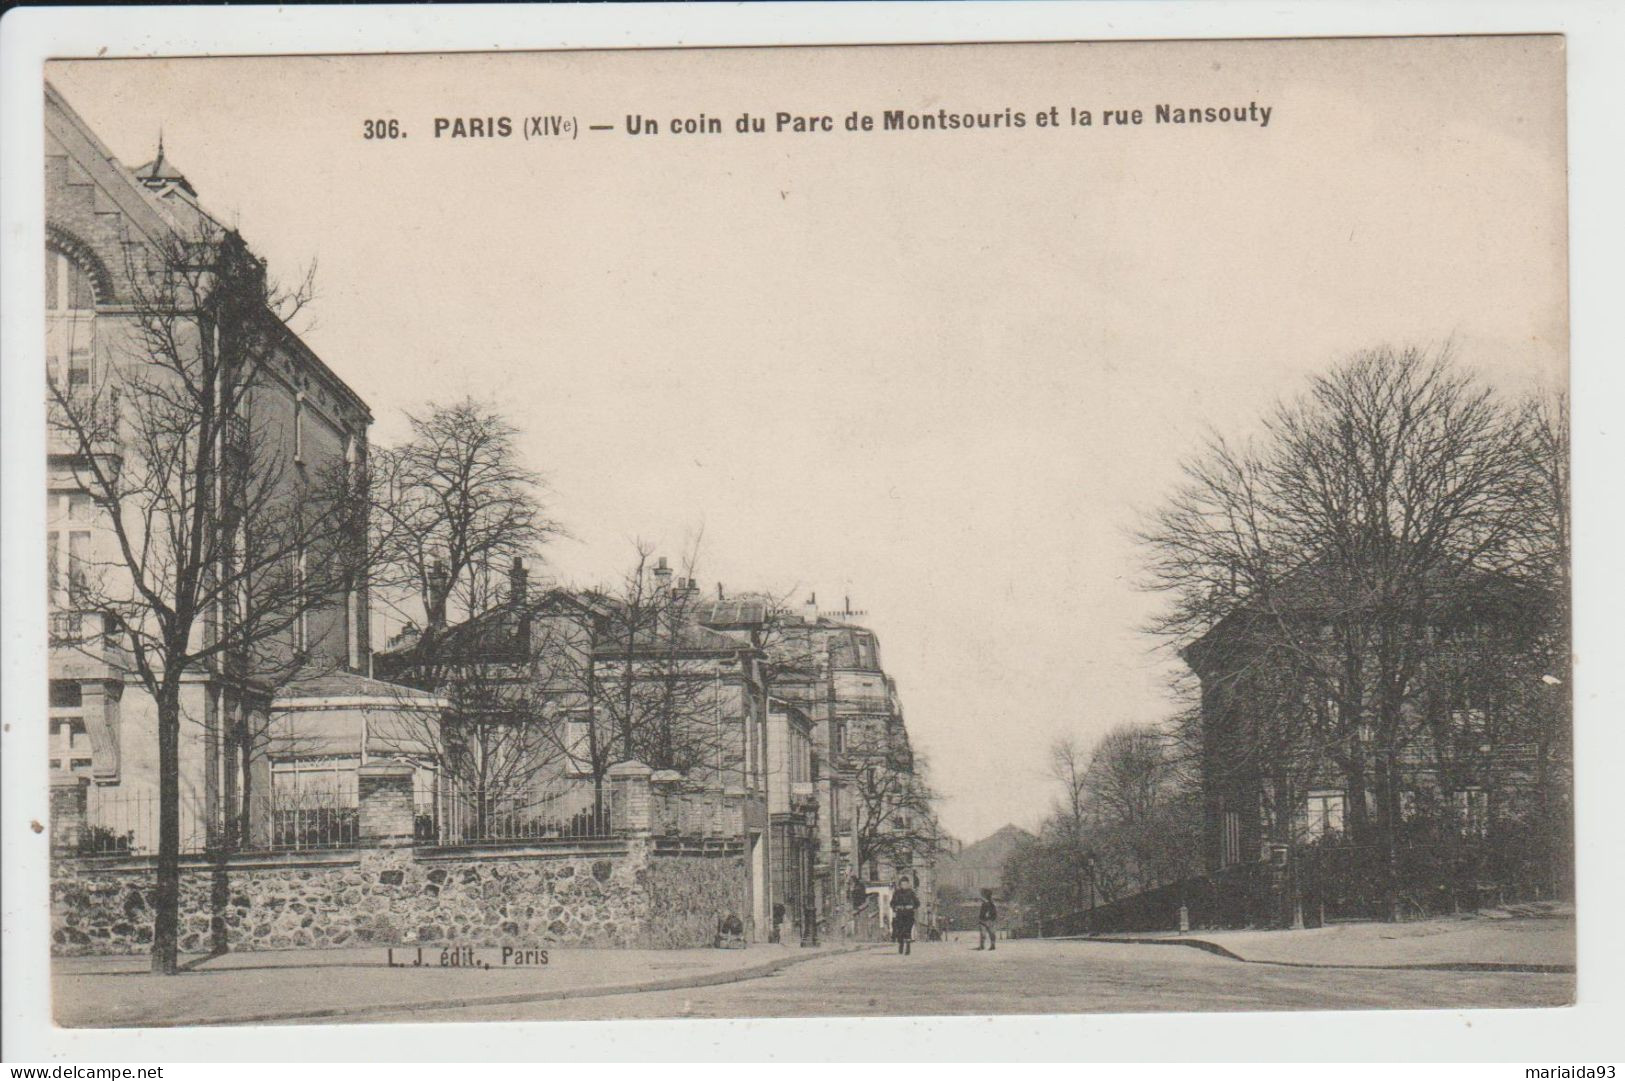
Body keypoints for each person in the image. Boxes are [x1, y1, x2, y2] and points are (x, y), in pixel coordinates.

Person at [891, 875, 920, 955]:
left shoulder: (911, 893)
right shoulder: (897, 893)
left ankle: (908, 948)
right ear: (900, 885)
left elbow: (917, 903)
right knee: (900, 930)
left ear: (908, 884)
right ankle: (901, 945)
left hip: (909, 915)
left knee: (907, 931)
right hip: (900, 914)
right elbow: (892, 903)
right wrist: (896, 907)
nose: (904, 886)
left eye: (905, 884)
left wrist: (912, 906)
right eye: (902, 884)